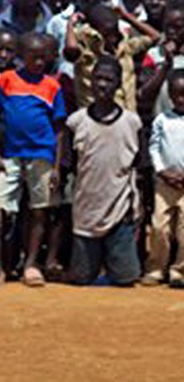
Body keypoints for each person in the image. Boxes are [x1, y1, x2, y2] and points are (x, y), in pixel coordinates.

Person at [0, 33, 66, 287]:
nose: (39, 62)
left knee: (39, 210)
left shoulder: (52, 86)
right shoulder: (6, 80)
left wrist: (57, 166)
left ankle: (31, 265)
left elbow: (59, 129)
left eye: (43, 58)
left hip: (41, 155)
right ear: (21, 57)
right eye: (33, 57)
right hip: (11, 156)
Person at [67, 56, 142, 286]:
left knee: (126, 278)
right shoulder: (77, 122)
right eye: (98, 78)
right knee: (81, 279)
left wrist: (137, 207)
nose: (102, 85)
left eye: (109, 80)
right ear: (90, 81)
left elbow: (140, 168)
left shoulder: (132, 123)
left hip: (120, 212)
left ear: (118, 84)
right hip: (86, 212)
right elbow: (70, 166)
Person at [142, 70, 184, 287]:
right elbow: (154, 148)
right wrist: (162, 171)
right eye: (177, 95)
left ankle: (179, 271)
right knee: (159, 226)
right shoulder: (162, 120)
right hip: (165, 183)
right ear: (170, 95)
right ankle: (156, 268)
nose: (182, 99)